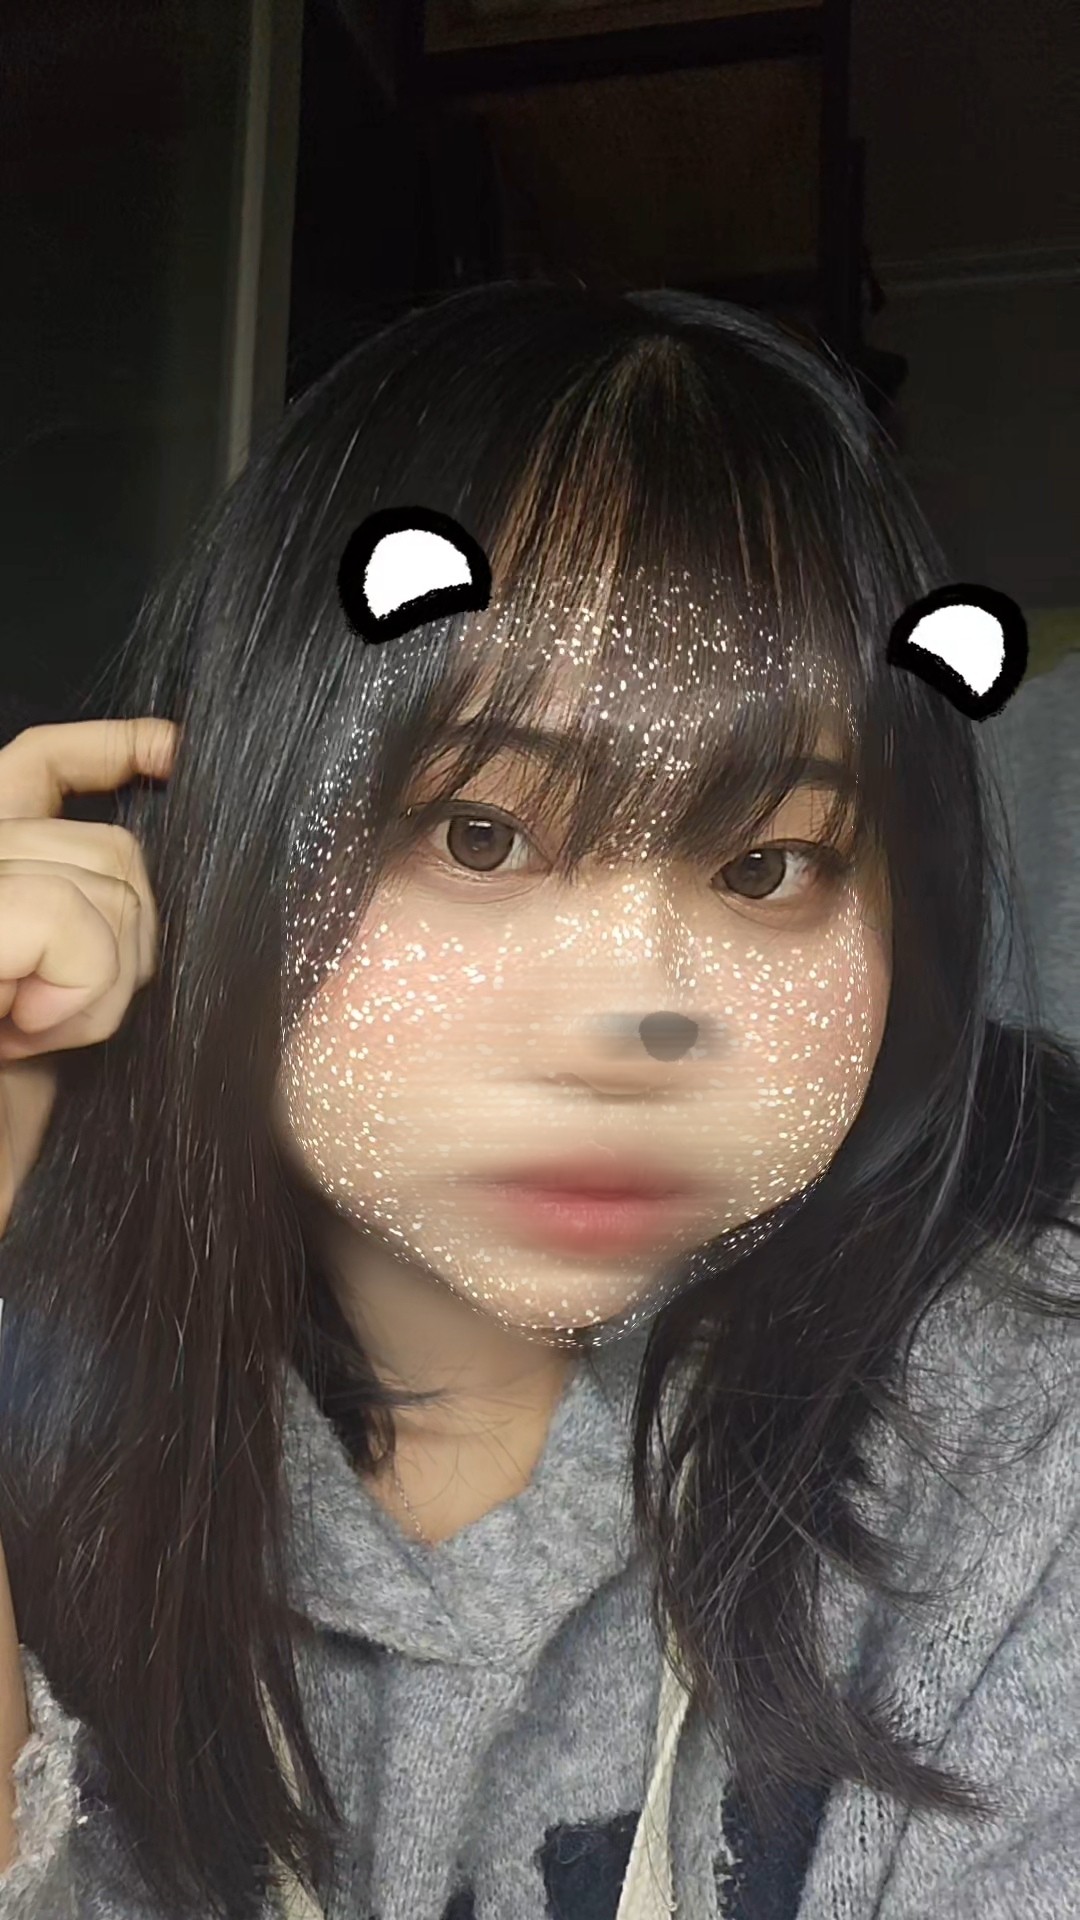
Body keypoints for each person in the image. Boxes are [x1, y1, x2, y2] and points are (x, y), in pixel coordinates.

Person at [0, 280, 1077, 1920]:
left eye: (768, 865)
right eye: (480, 834)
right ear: (222, 823)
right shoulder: (50, 1361)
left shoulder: (1021, 1436)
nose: (634, 1023)